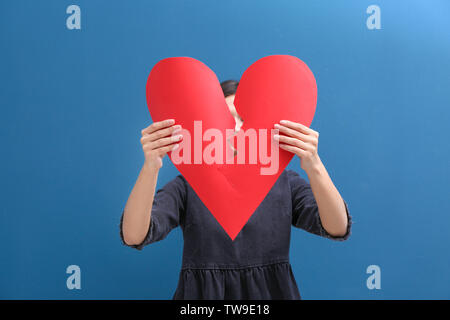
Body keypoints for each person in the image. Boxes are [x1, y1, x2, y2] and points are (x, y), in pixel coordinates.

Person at [119, 80, 352, 299]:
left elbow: (337, 227)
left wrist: (314, 164)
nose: (237, 129)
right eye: (226, 119)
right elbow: (134, 235)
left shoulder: (285, 183)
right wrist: (151, 166)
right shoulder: (188, 186)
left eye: (245, 119)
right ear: (208, 130)